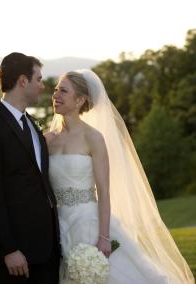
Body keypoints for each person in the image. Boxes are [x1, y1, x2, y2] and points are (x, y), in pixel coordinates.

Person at [44, 69, 195, 283]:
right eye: (56, 89)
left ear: (80, 100)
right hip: (56, 226)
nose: (56, 95)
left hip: (88, 223)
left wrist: (104, 237)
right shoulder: (46, 140)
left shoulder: (93, 138)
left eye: (64, 91)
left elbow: (104, 191)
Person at [0, 52, 60, 284]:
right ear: (22, 81)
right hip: (14, 255)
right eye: (38, 79)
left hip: (46, 250)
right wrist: (9, 249)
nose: (42, 86)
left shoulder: (31, 125)